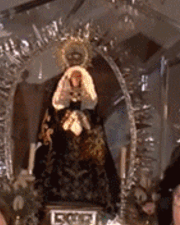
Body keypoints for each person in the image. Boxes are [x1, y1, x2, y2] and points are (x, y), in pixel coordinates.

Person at [32, 65, 120, 210]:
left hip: (86, 154)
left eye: (79, 78)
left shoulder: (91, 108)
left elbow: (96, 131)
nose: (76, 81)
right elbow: (50, 132)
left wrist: (85, 119)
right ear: (67, 80)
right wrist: (66, 120)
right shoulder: (58, 108)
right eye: (73, 78)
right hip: (63, 154)